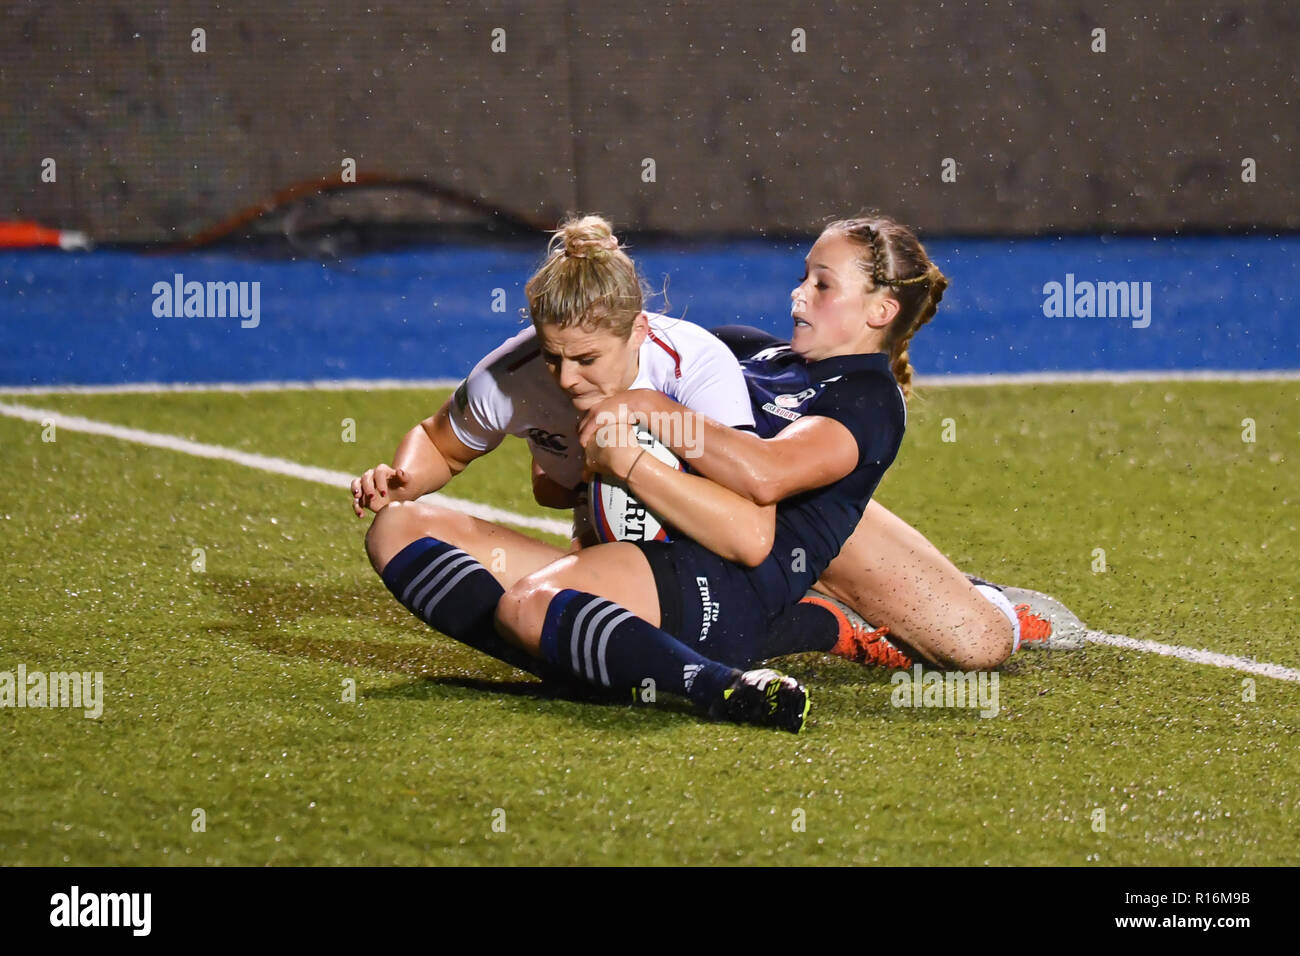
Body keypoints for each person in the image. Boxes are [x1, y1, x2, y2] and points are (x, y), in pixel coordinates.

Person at [491, 213, 949, 732]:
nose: (798, 294)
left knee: (978, 643)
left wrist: (647, 408)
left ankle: (988, 602)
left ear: (881, 310)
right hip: (714, 557)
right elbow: (552, 484)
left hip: (782, 554)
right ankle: (820, 622)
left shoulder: (869, 400)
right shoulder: (742, 347)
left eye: (822, 284)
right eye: (803, 276)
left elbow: (766, 475)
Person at [356, 215, 765, 682]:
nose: (567, 378)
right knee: (396, 528)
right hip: (601, 571)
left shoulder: (693, 365)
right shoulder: (513, 374)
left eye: (587, 358)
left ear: (637, 332)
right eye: (553, 356)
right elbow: (438, 442)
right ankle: (571, 661)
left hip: (706, 581)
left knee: (532, 603)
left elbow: (750, 537)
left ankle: (725, 659)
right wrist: (402, 478)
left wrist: (628, 465)